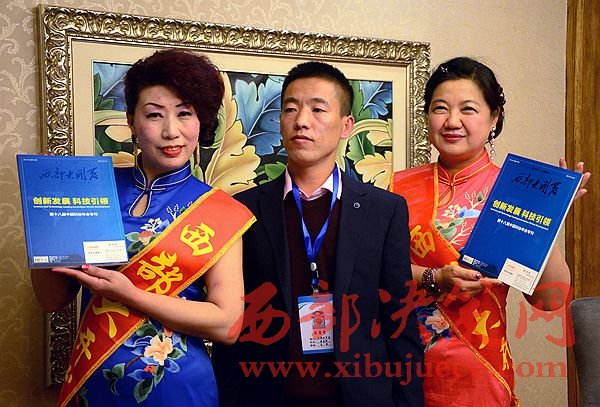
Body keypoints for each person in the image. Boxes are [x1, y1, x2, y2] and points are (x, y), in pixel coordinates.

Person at [30, 49, 255, 407]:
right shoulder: (93, 190)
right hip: (93, 381)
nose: (171, 131)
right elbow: (52, 300)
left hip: (178, 387)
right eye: (154, 115)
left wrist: (131, 295)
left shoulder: (220, 211)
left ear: (201, 120)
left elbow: (227, 324)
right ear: (132, 122)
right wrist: (43, 223)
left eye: (185, 114)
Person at [213, 61, 424, 407]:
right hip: (267, 393)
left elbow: (399, 317)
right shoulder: (245, 209)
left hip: (360, 397)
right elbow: (235, 321)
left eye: (317, 109)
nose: (301, 121)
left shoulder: (383, 210)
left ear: (346, 125)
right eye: (290, 109)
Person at [389, 56, 591, 406]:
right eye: (440, 108)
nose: (452, 121)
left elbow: (550, 300)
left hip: (480, 369)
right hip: (401, 365)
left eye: (468, 109)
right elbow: (374, 274)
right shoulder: (397, 187)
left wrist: (547, 219)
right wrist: (435, 277)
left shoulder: (515, 191)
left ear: (494, 117)